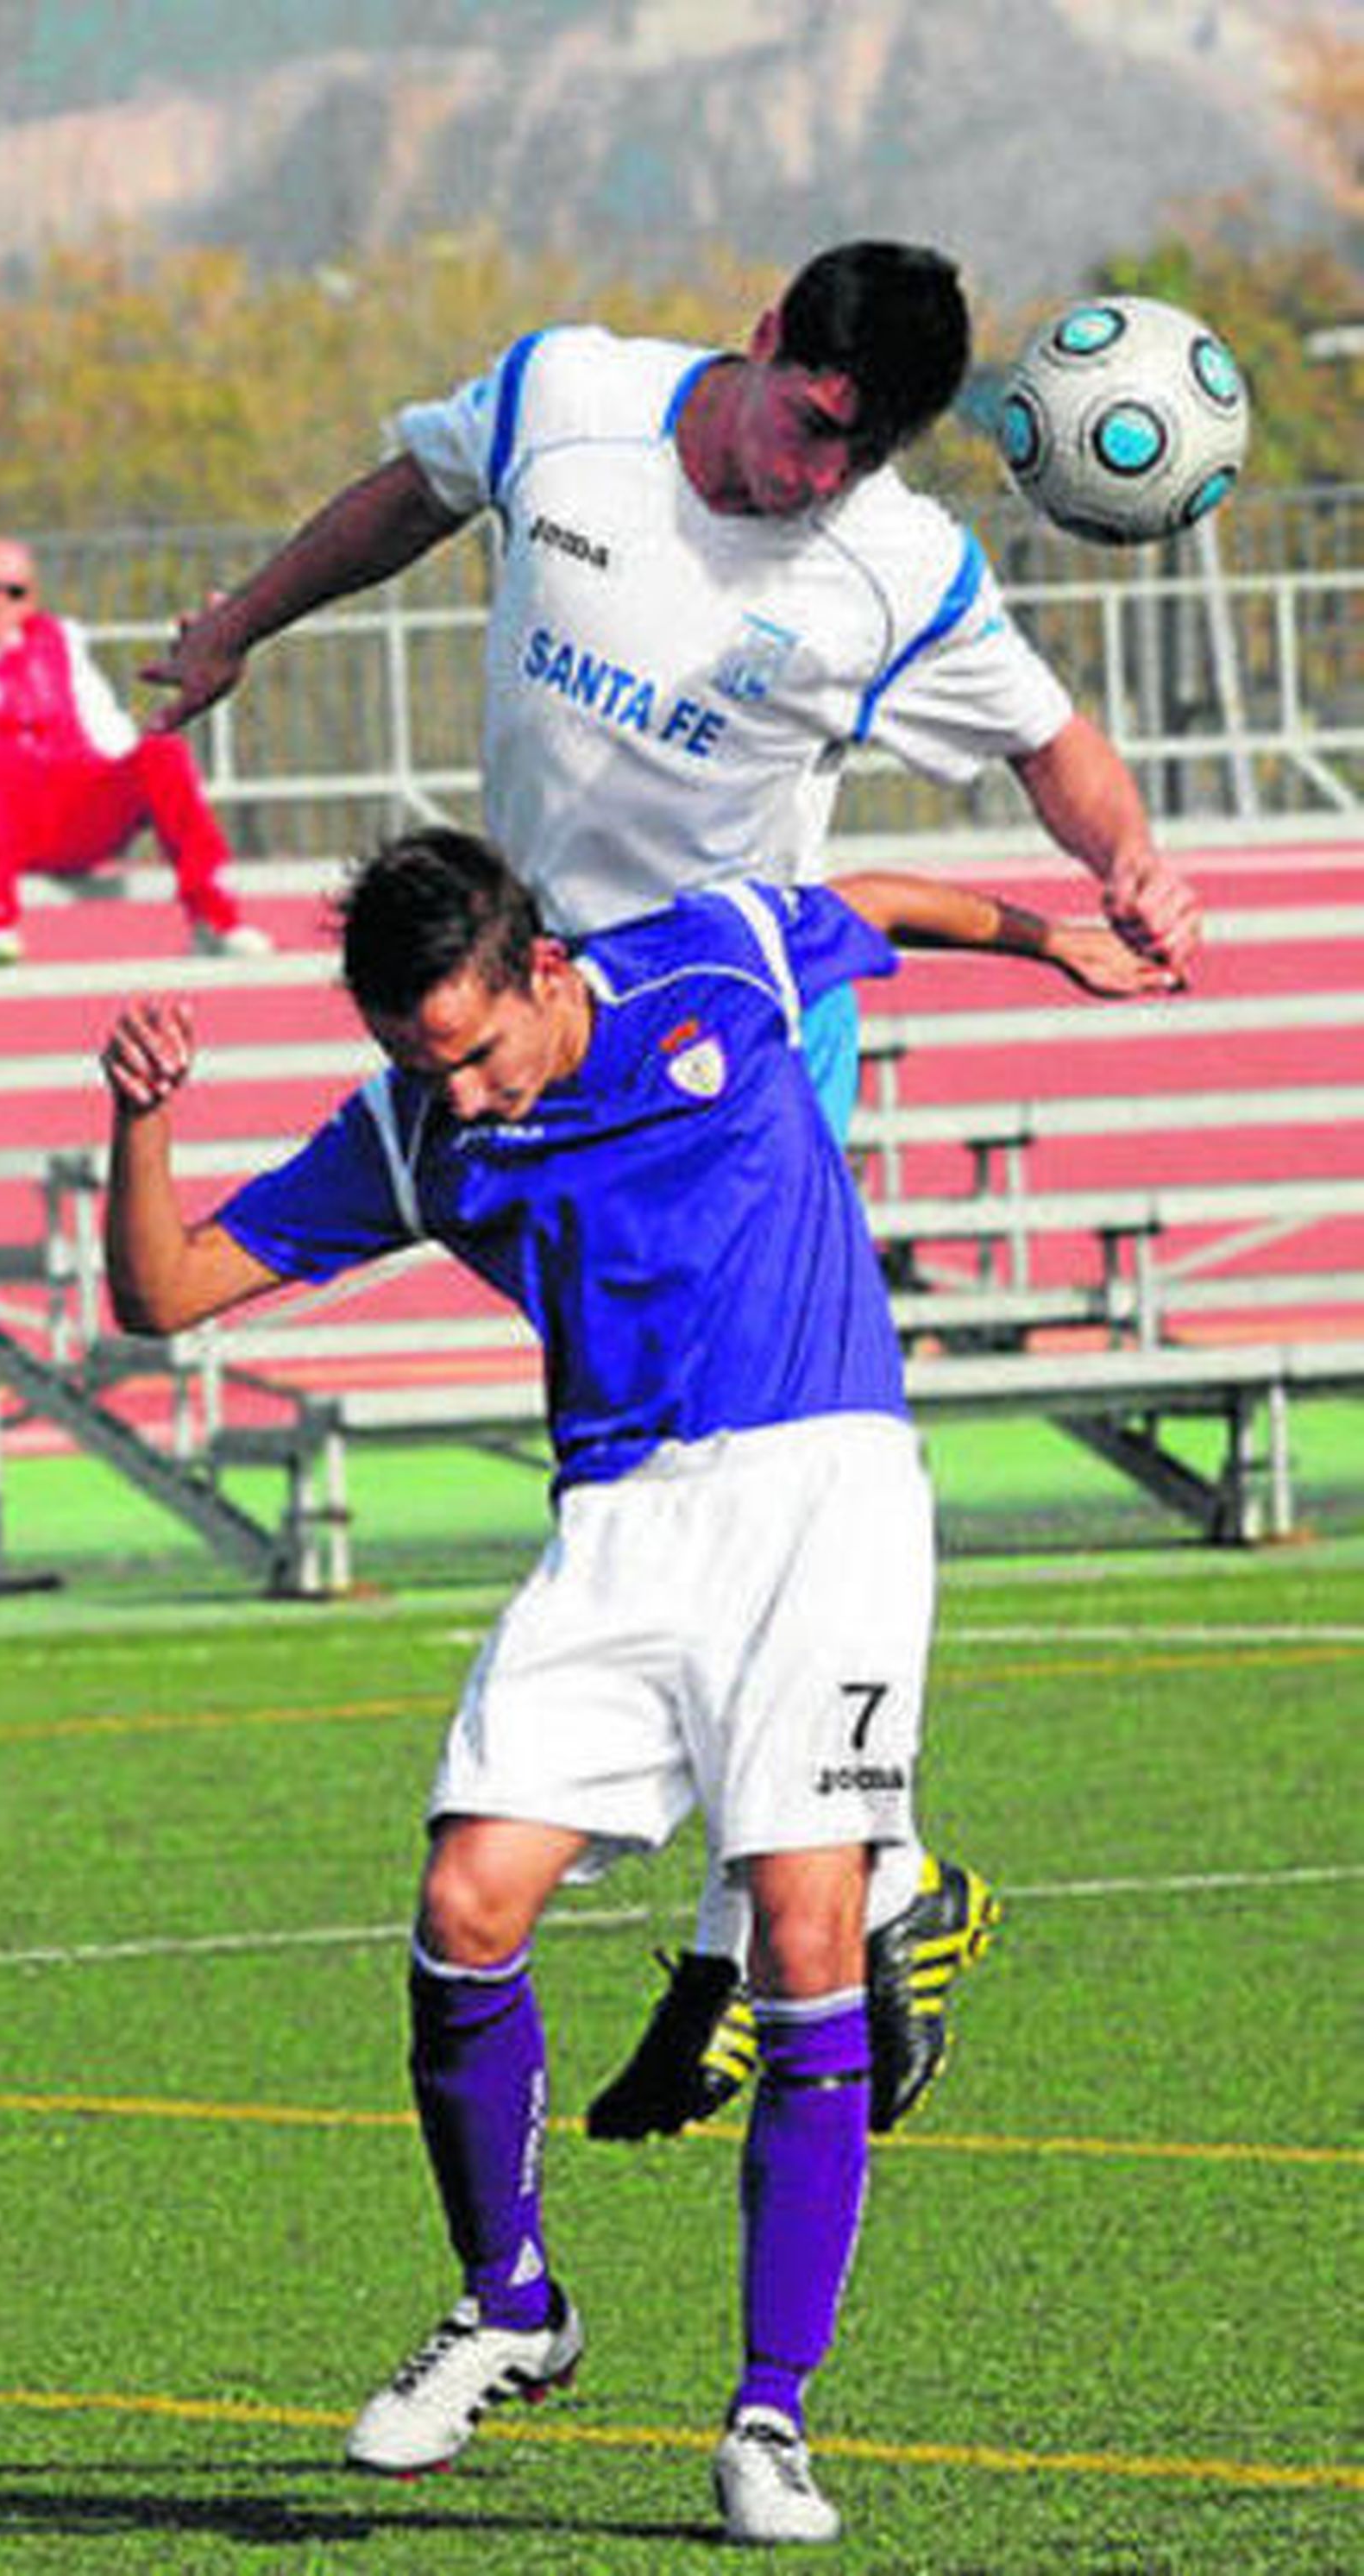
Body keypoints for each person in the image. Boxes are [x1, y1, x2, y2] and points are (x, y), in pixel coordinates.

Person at [138, 238, 1203, 2133]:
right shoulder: (566, 401)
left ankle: (765, 1940)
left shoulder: (891, 568)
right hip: (531, 1037)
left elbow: (1048, 741)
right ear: (764, 337)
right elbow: (407, 493)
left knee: (731, 1469)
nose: (814, 478)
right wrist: (239, 624)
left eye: (853, 455)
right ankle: (867, 1892)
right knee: (644, 1468)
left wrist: (1124, 865)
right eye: (806, 425)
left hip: (726, 1029)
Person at [100, 825, 1169, 2545]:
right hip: (616, 1523)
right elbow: (162, 1291)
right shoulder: (415, 1130)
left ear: (538, 969)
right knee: (465, 1896)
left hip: (822, 1486)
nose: (454, 1094)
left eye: (467, 1051)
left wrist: (1057, 943)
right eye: (411, 1063)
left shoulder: (715, 959)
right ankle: (511, 2297)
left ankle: (768, 2415)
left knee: (808, 1931)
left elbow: (881, 899)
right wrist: (141, 1114)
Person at [0, 535, 269, 964]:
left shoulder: (60, 646)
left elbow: (112, 738)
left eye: (14, 592)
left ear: (31, 601)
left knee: (163, 754)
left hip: (72, 808)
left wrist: (134, 785)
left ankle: (214, 916)